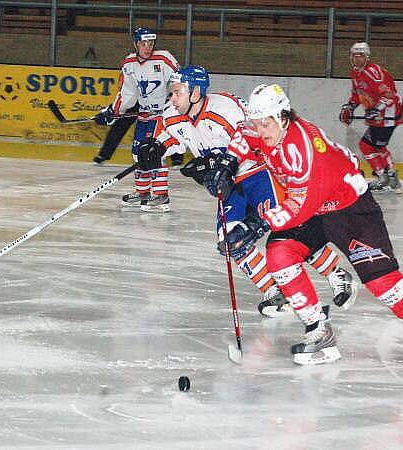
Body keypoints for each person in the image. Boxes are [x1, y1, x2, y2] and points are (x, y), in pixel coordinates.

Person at [221, 83, 403, 372]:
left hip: (352, 210)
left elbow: (297, 209)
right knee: (279, 255)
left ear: (283, 117)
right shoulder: (270, 130)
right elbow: (243, 137)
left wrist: (252, 226)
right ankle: (319, 331)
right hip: (318, 208)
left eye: (266, 123)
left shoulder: (302, 150)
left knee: (383, 284)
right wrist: (226, 162)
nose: (261, 130)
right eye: (257, 123)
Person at [138, 65, 359, 317]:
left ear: (196, 92)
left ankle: (336, 274)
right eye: (171, 93)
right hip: (230, 186)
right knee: (230, 240)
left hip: (259, 174)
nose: (172, 98)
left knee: (287, 229)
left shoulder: (226, 109)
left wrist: (219, 161)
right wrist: (155, 149)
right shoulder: (173, 114)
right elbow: (174, 137)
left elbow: (259, 138)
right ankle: (275, 292)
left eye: (177, 92)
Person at [93, 26, 179, 212]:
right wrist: (111, 112)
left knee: (154, 152)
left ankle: (161, 196)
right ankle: (143, 193)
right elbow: (127, 94)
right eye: (143, 43)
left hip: (161, 116)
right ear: (136, 44)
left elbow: (179, 82)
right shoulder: (129, 64)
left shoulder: (164, 59)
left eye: (151, 43)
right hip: (143, 115)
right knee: (138, 154)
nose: (148, 47)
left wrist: (173, 104)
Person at [339, 42, 403, 194]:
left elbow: (390, 95)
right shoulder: (355, 73)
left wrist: (377, 109)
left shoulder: (373, 72)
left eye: (360, 56)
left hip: (388, 114)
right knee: (378, 146)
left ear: (367, 57)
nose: (357, 59)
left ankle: (382, 177)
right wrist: (350, 106)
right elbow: (357, 95)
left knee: (366, 145)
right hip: (379, 115)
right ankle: (391, 177)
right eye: (355, 56)